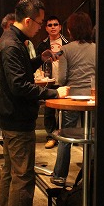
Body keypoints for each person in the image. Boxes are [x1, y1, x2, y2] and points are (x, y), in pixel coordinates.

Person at [0, 0, 69, 206]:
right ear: (27, 20)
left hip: (10, 118)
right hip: (17, 119)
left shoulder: (10, 41)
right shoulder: (12, 45)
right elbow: (19, 86)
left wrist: (40, 59)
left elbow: (20, 72)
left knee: (10, 175)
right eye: (38, 23)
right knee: (22, 178)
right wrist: (53, 93)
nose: (41, 27)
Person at [51, 12, 96, 186]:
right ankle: (89, 175)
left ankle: (59, 175)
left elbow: (61, 79)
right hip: (92, 99)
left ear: (70, 30)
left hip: (72, 99)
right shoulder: (96, 48)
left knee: (65, 136)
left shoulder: (66, 50)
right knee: (91, 137)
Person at [36, 15, 69, 149]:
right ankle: (50, 136)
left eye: (55, 24)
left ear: (60, 27)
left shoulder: (67, 43)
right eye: (50, 25)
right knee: (49, 111)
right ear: (46, 28)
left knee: (64, 111)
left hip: (64, 80)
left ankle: (63, 137)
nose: (53, 27)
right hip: (49, 81)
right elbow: (38, 63)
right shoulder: (42, 45)